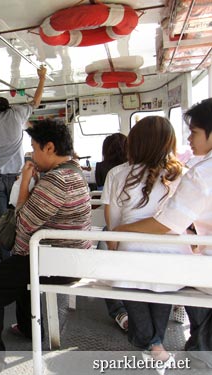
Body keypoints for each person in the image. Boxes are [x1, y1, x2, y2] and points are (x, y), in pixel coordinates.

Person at [0, 120, 91, 371]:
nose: (31, 153)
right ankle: (27, 328)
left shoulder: (57, 181)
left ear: (50, 147)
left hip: (56, 263)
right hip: (71, 257)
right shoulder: (74, 170)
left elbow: (21, 223)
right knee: (21, 265)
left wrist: (23, 183)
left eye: (34, 147)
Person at [114, 99, 212, 369]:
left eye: (194, 132)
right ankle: (180, 341)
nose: (189, 139)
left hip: (196, 265)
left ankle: (161, 341)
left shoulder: (202, 174)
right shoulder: (184, 172)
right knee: (169, 277)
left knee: (134, 278)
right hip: (180, 258)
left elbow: (168, 224)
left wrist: (122, 232)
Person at [106, 116, 191, 371]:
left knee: (141, 320)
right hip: (175, 261)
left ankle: (153, 345)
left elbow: (114, 225)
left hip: (130, 259)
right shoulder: (181, 175)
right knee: (159, 300)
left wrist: (114, 255)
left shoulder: (118, 174)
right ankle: (157, 346)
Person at [0, 66, 47, 260]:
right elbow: (36, 101)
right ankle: (24, 260)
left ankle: (7, 263)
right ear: (7, 106)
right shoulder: (17, 113)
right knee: (22, 219)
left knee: (1, 224)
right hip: (18, 178)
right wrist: (42, 78)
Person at [97, 133, 129, 331]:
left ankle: (119, 311)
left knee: (106, 258)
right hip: (125, 228)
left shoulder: (104, 169)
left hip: (109, 227)